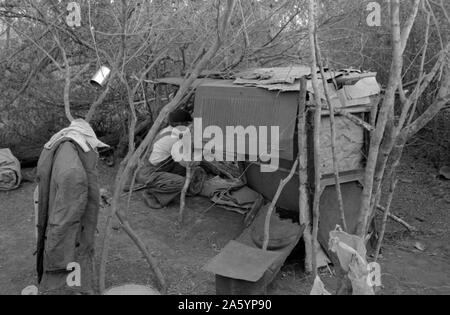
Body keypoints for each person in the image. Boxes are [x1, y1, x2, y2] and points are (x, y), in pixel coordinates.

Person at [133, 110, 204, 209]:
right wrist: (195, 161)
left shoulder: (169, 130)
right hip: (148, 173)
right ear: (178, 124)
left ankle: (166, 186)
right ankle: (152, 194)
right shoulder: (172, 138)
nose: (189, 126)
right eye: (187, 124)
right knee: (182, 182)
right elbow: (185, 163)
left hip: (155, 166)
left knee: (185, 171)